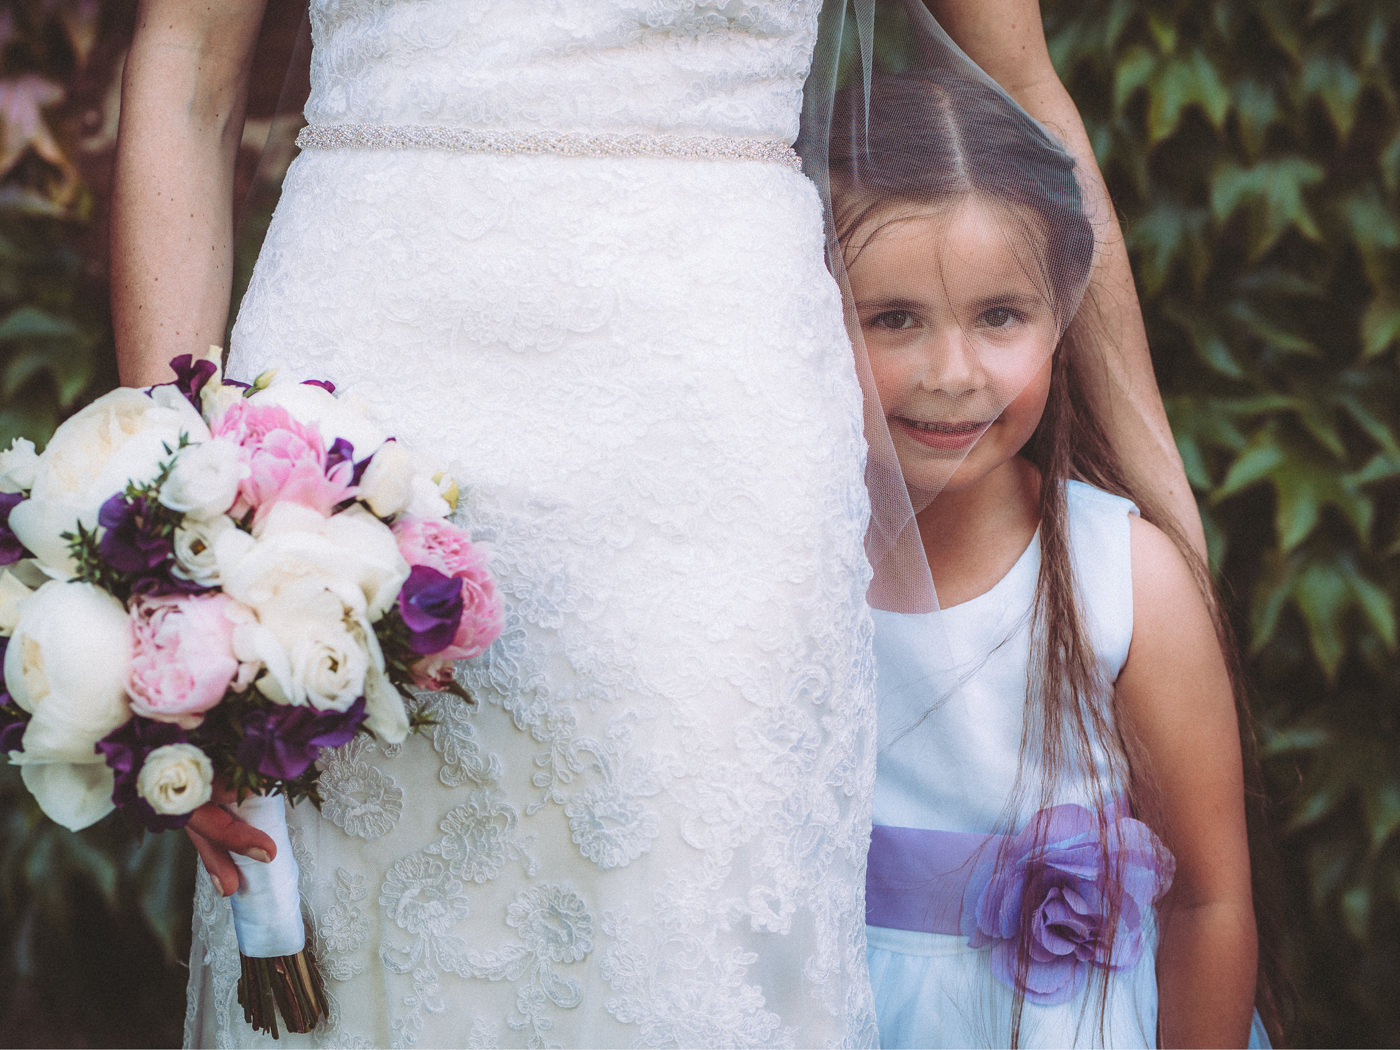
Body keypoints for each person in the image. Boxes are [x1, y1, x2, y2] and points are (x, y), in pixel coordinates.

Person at [110, 1, 1197, 1046]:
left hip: (702, 431)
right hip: (350, 402)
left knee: (685, 936)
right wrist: (176, 540)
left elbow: (1016, 79)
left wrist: (1170, 527)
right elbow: (188, 66)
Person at [826, 64, 1266, 1047]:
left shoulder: (1124, 579)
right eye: (892, 319)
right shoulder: (781, 571)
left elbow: (1206, 903)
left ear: (1061, 321)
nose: (950, 373)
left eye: (998, 316)